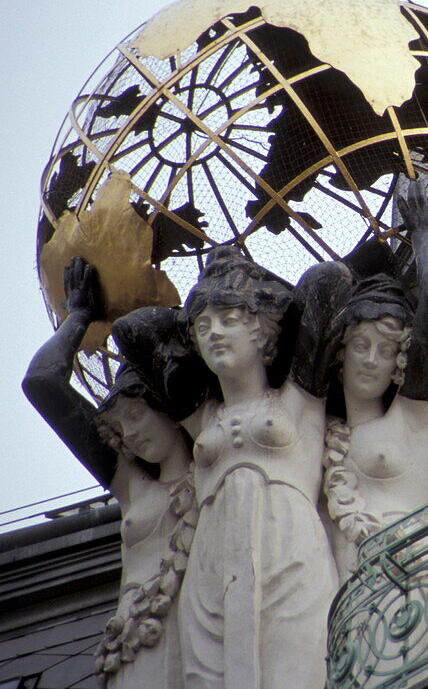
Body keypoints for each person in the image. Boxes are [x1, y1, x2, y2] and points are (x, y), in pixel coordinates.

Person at [176, 244, 351, 688]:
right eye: (203, 325)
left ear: (261, 332)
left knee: (302, 669)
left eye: (230, 319)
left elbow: (331, 280)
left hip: (288, 553)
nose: (214, 332)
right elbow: (134, 331)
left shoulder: (299, 399)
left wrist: (251, 282)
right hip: (211, 568)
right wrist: (217, 281)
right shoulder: (204, 418)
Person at [22, 257, 194, 688]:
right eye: (118, 427)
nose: (129, 435)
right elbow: (42, 381)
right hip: (135, 640)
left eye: (136, 415)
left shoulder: (219, 462)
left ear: (167, 408)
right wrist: (77, 317)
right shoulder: (130, 482)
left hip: (205, 626)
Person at [323, 177, 428, 571]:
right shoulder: (320, 429)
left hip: (409, 575)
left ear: (399, 363)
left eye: (385, 352)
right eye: (361, 346)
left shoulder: (411, 415)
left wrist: (423, 232)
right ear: (340, 354)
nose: (369, 360)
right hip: (346, 591)